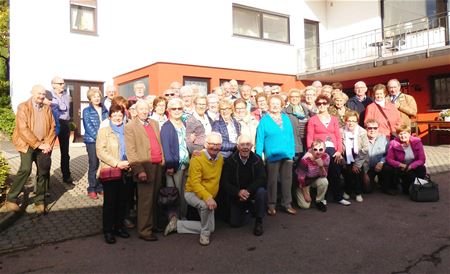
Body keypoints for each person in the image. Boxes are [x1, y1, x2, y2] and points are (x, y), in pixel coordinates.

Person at [2, 85, 56, 214]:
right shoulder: (23, 107)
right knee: (25, 169)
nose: (41, 96)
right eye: (38, 93)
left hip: (43, 144)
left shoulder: (47, 108)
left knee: (43, 172)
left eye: (43, 94)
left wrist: (48, 143)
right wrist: (38, 144)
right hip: (27, 144)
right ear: (32, 93)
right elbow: (22, 129)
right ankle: (11, 199)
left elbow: (52, 127)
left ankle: (40, 202)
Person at [164, 132, 224, 246]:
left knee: (211, 228)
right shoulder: (197, 159)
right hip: (192, 193)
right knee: (205, 206)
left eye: (218, 144)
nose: (215, 147)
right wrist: (208, 197)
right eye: (212, 144)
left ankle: (177, 225)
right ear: (205, 144)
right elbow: (195, 183)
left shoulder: (220, 158)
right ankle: (204, 235)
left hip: (208, 194)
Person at [125, 100, 164, 241]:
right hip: (144, 167)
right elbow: (131, 151)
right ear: (135, 110)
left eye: (146, 109)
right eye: (141, 109)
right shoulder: (130, 126)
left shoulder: (154, 123)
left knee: (154, 199)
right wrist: (138, 170)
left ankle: (152, 225)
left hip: (158, 165)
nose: (144, 111)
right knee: (145, 201)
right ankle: (144, 231)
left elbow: (158, 143)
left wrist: (163, 162)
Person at [256, 95, 297, 215]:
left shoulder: (286, 118)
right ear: (268, 105)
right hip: (272, 155)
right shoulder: (264, 120)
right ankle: (271, 205)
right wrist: (258, 156)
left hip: (286, 154)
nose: (275, 106)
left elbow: (291, 136)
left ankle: (287, 203)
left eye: (277, 104)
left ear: (281, 105)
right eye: (272, 103)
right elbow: (259, 140)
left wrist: (291, 153)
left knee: (287, 180)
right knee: (272, 181)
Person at [96, 104, 131, 244]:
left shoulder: (128, 129)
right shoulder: (104, 131)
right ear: (110, 116)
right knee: (110, 203)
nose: (117, 117)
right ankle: (108, 231)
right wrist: (117, 163)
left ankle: (119, 227)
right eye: (114, 114)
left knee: (122, 202)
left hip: (127, 170)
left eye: (120, 114)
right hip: (111, 169)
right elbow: (100, 151)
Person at [307, 95, 350, 206]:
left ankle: (338, 197)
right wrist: (311, 152)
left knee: (336, 172)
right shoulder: (312, 120)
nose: (322, 105)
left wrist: (339, 151)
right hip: (319, 150)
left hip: (333, 150)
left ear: (328, 104)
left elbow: (338, 136)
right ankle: (322, 198)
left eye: (324, 103)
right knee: (323, 174)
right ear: (316, 105)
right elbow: (309, 137)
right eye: (319, 103)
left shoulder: (334, 119)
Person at [220, 134, 267, 236]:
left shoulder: (257, 160)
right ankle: (248, 208)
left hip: (252, 192)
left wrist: (248, 191)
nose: (245, 147)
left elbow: (262, 179)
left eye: (248, 144)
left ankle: (259, 221)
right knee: (234, 223)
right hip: (236, 194)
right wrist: (238, 192)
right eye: (242, 144)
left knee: (262, 192)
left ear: (251, 146)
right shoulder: (230, 161)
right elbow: (225, 182)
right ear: (237, 146)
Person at [160, 98, 190, 220]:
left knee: (184, 193)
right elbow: (166, 147)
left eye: (180, 108)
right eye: (174, 108)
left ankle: (183, 216)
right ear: (169, 110)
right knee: (173, 194)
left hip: (186, 164)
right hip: (174, 166)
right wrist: (170, 166)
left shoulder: (184, 123)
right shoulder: (167, 126)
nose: (177, 111)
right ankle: (173, 219)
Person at [385, 125, 426, 195]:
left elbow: (422, 159)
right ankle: (409, 185)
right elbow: (389, 159)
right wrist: (400, 165)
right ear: (398, 135)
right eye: (400, 134)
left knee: (422, 168)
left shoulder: (417, 142)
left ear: (409, 133)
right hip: (401, 167)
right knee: (407, 191)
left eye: (405, 133)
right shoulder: (393, 143)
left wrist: (411, 166)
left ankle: (419, 187)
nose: (403, 136)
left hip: (413, 166)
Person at [83, 87, 108, 199]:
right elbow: (88, 127)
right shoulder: (86, 111)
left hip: (104, 140)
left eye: (98, 96)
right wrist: (99, 138)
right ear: (90, 98)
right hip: (92, 141)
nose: (97, 98)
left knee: (103, 164)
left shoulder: (105, 109)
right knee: (94, 164)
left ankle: (100, 187)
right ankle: (92, 188)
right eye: (94, 96)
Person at [341, 111, 369, 202]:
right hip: (345, 158)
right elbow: (339, 146)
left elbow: (365, 149)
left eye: (353, 121)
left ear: (357, 122)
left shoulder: (362, 132)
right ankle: (347, 191)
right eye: (348, 120)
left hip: (359, 158)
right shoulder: (341, 131)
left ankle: (358, 192)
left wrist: (357, 164)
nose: (351, 123)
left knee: (357, 171)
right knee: (348, 171)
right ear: (345, 121)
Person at [50, 76, 73, 185]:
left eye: (63, 83)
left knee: (65, 152)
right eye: (60, 83)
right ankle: (44, 181)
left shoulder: (67, 96)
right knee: (47, 152)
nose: (62, 85)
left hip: (64, 124)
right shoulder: (49, 95)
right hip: (53, 124)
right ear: (53, 85)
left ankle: (66, 176)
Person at [295, 139, 329, 212]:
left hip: (314, 179)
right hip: (303, 182)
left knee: (324, 181)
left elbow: (324, 175)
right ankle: (297, 192)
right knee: (305, 206)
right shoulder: (305, 160)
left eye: (321, 149)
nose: (318, 152)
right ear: (311, 150)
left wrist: (321, 166)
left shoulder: (326, 157)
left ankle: (319, 201)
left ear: (324, 149)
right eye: (315, 149)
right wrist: (305, 194)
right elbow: (301, 178)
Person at [364, 119, 393, 194]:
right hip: (367, 168)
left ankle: (386, 187)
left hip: (381, 166)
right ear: (366, 129)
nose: (372, 130)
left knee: (388, 167)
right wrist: (364, 173)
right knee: (366, 190)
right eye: (369, 128)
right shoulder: (361, 139)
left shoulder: (384, 139)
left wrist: (381, 162)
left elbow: (389, 153)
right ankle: (373, 183)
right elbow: (358, 157)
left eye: (375, 128)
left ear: (378, 129)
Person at [284, 88, 310, 155]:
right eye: (292, 97)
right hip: (294, 142)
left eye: (297, 96)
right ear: (289, 98)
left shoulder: (306, 110)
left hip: (306, 140)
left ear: (300, 98)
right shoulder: (285, 112)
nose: (294, 98)